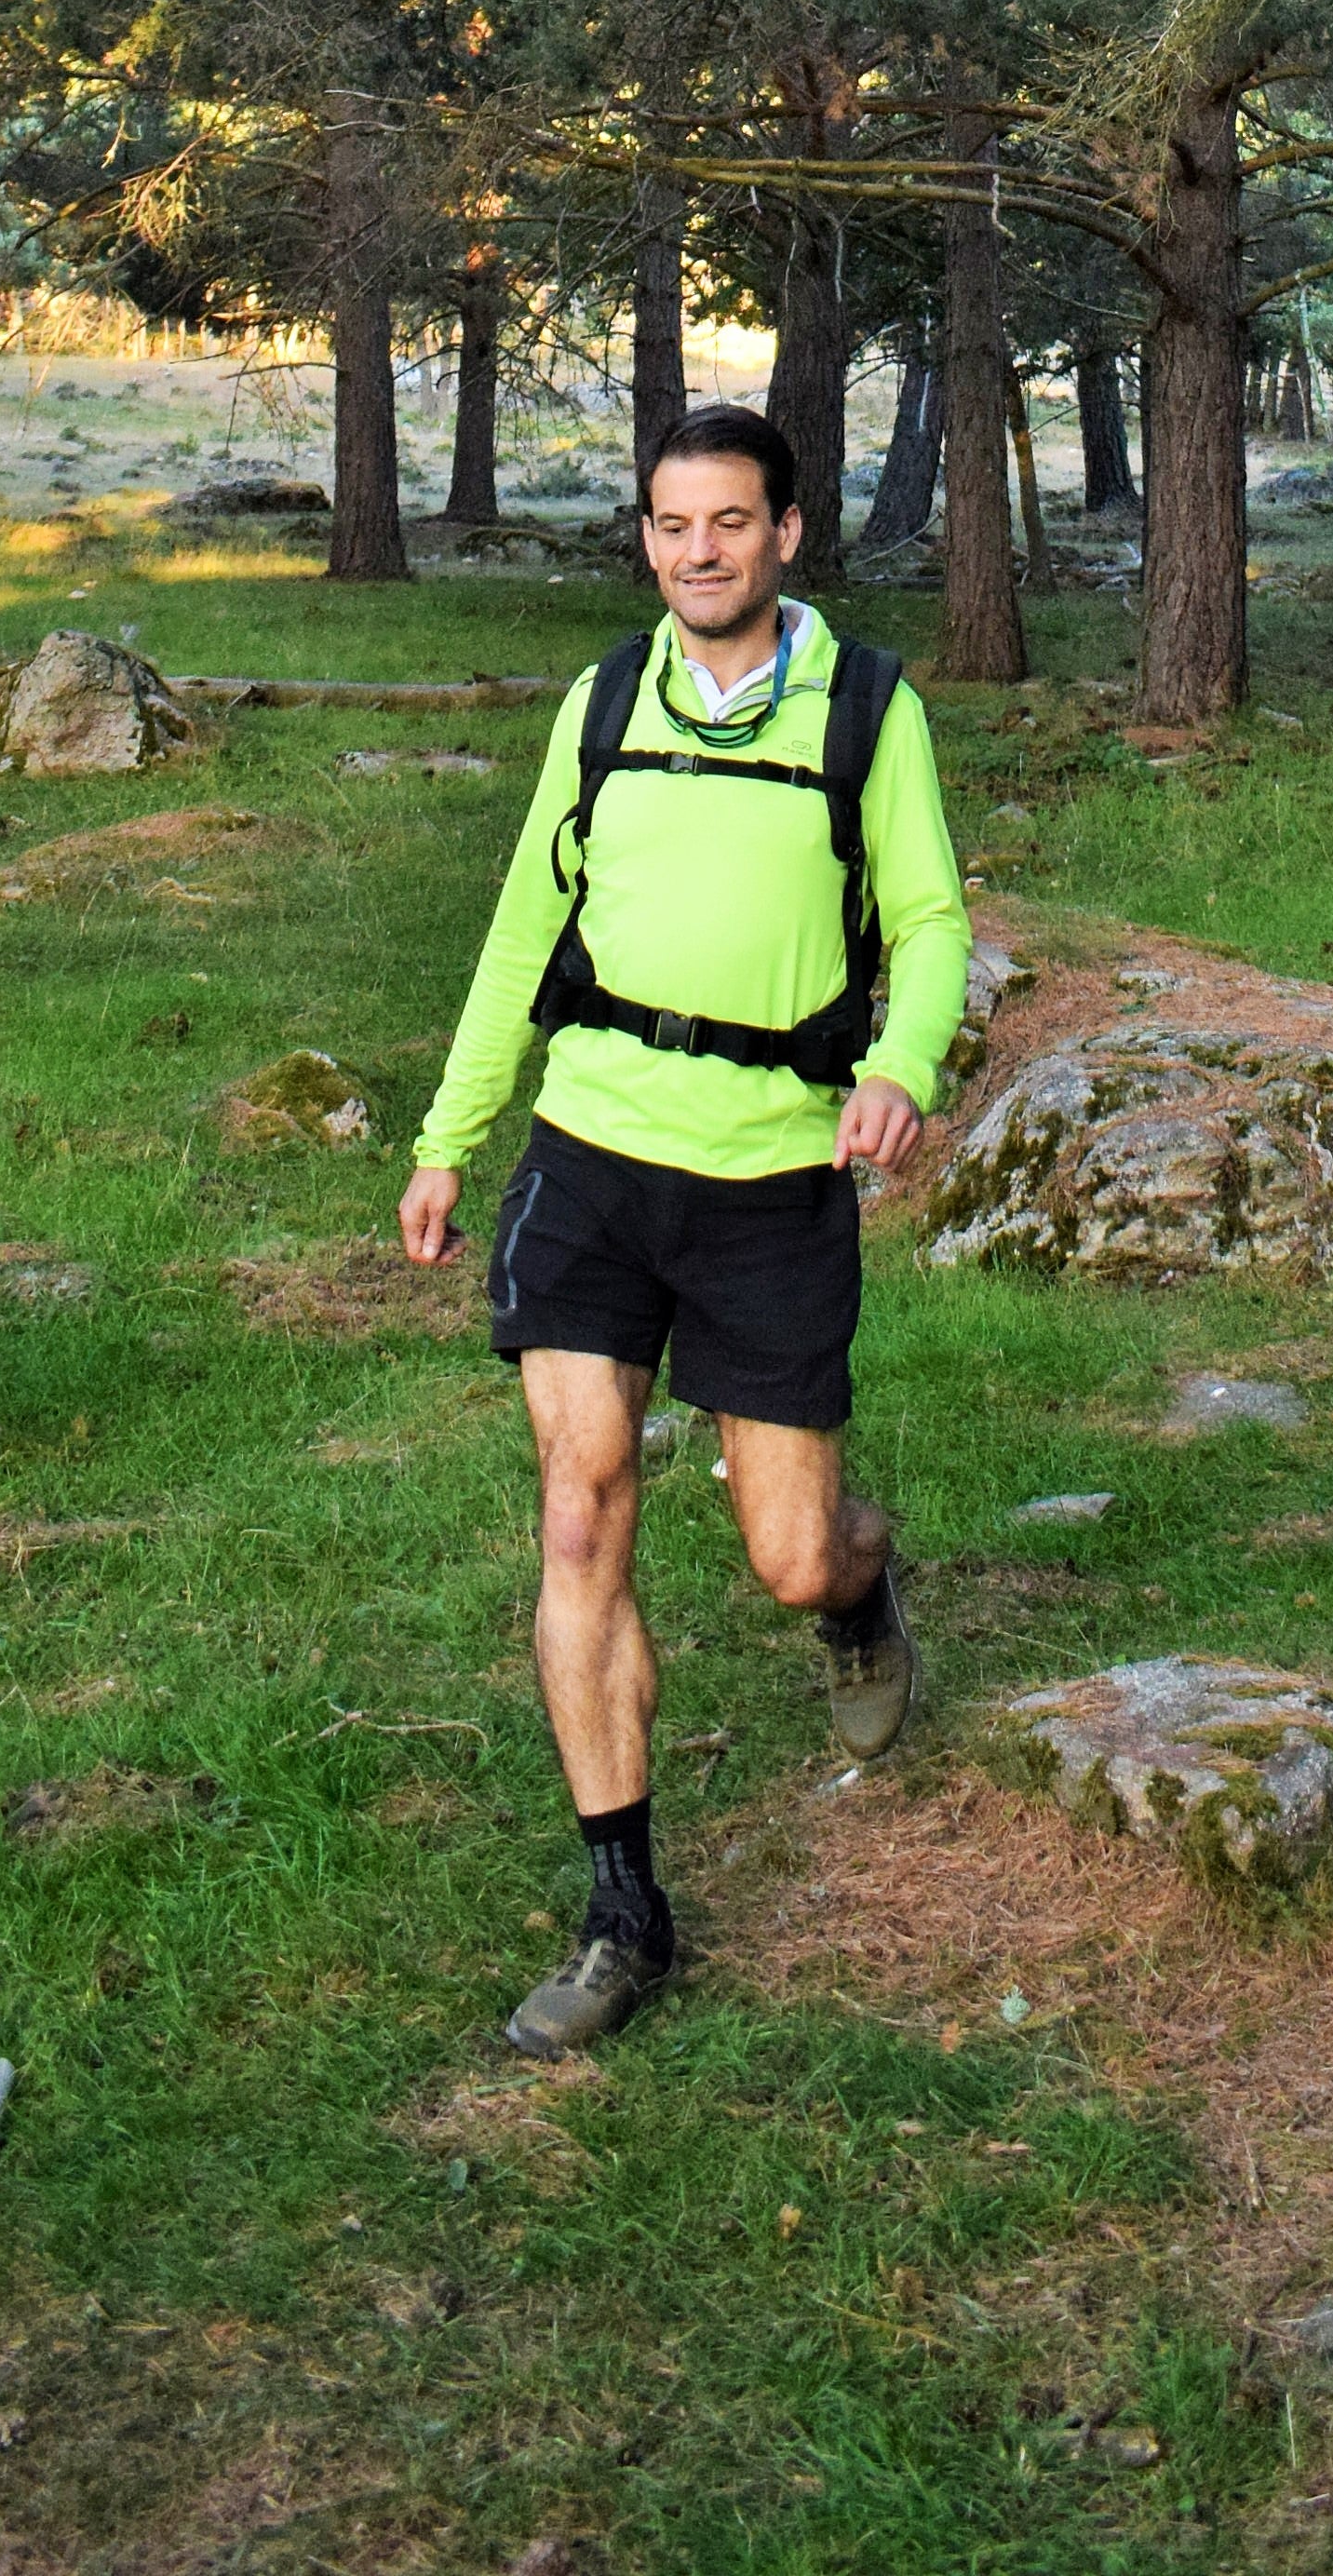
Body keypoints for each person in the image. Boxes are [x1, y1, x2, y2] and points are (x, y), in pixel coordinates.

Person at [397, 401, 970, 2052]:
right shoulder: (599, 708)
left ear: (787, 532)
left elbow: (928, 922)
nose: (697, 551)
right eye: (669, 524)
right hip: (590, 1155)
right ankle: (623, 1910)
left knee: (788, 1554)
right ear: (644, 537)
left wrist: (901, 1065)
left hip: (773, 1177)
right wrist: (450, 1139)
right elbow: (524, 937)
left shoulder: (867, 708)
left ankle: (861, 1599)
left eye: (729, 522)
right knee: (582, 1516)